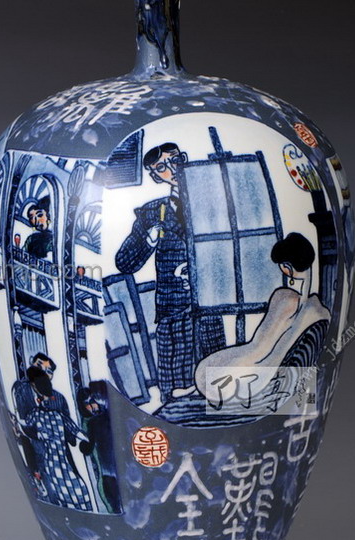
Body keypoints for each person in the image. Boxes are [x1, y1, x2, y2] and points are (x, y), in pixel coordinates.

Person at [115, 142, 224, 404]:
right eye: (162, 167)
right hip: (172, 302)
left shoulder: (213, 200)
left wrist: (200, 269)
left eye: (175, 160)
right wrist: (149, 239)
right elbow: (124, 262)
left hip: (208, 296)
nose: (173, 170)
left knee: (213, 360)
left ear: (184, 158)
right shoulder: (152, 212)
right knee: (176, 370)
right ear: (155, 176)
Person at [195, 233, 331, 404]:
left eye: (282, 266)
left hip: (269, 364)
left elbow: (264, 348)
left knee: (222, 371)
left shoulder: (290, 302)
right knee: (222, 368)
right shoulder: (306, 306)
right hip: (264, 357)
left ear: (287, 267)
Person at [11, 353, 92, 509]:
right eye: (39, 365)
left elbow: (69, 426)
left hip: (60, 454)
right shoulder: (21, 390)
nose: (42, 371)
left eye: (48, 371)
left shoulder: (58, 398)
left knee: (71, 487)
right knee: (50, 491)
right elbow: (22, 424)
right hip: (35, 451)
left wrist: (81, 438)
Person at [77, 384, 122, 514]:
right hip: (108, 467)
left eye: (92, 402)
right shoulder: (95, 420)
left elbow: (87, 448)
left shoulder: (96, 421)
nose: (92, 406)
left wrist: (82, 445)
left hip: (110, 466)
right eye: (87, 404)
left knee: (113, 497)